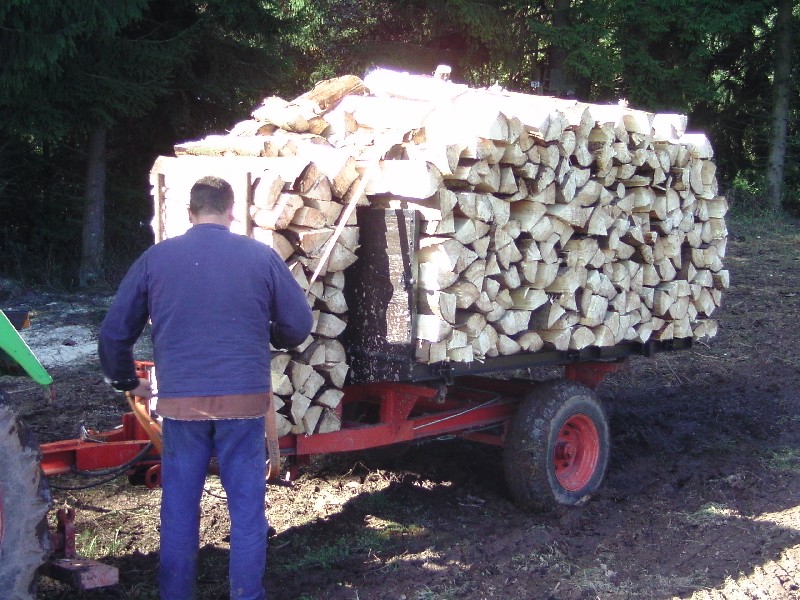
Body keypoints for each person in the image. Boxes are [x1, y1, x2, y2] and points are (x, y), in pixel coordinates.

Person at [98, 175, 313, 600]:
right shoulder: (261, 257)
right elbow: (300, 324)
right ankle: (246, 594)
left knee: (179, 507)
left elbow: (113, 334)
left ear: (189, 213)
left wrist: (126, 380)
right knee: (247, 509)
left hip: (181, 407)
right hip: (245, 403)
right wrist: (275, 335)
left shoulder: (155, 259)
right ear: (232, 212)